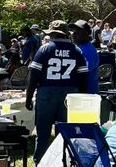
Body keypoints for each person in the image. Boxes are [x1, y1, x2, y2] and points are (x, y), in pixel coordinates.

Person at [25, 20, 89, 159]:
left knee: (43, 133)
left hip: (46, 93)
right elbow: (84, 78)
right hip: (70, 95)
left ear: (53, 34)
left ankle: (39, 164)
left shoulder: (44, 49)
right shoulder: (77, 51)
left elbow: (33, 77)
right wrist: (82, 98)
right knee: (64, 133)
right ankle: (61, 165)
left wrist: (28, 97)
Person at [71, 20, 101, 93]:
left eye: (77, 31)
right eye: (73, 31)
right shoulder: (78, 47)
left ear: (86, 33)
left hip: (87, 95)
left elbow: (83, 74)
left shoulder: (88, 51)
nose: (74, 34)